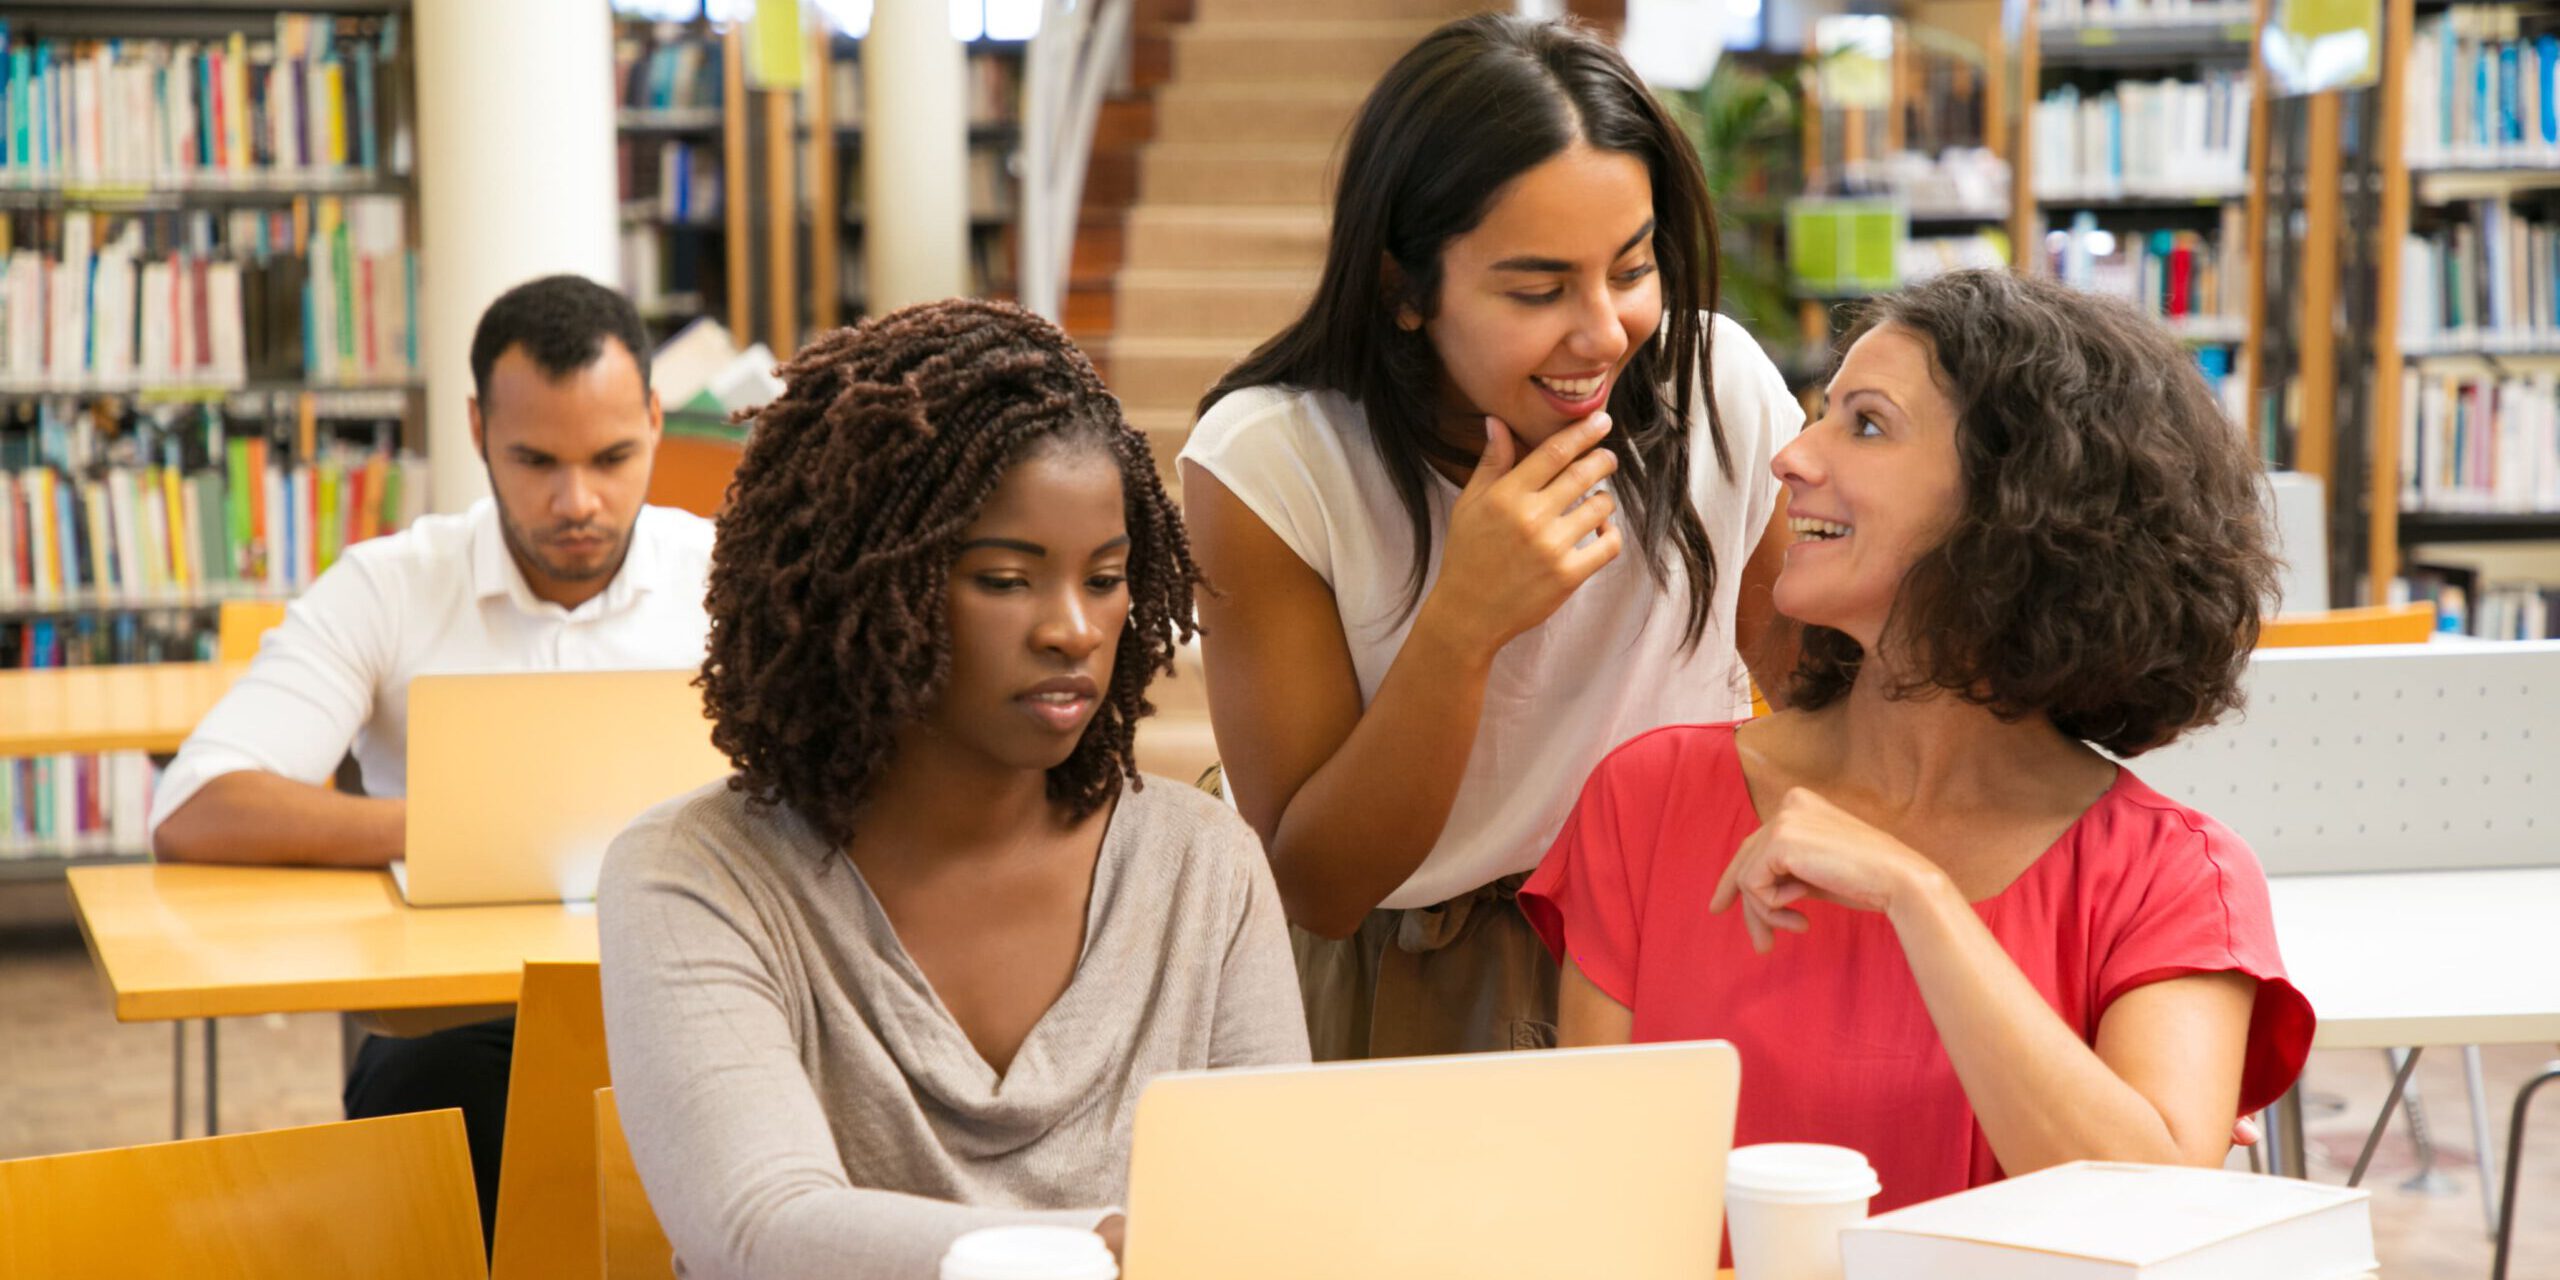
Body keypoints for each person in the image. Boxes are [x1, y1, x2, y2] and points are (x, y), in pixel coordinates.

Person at [1523, 269, 2317, 1213]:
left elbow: (2149, 1209)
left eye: (1864, 424)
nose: (1790, 458)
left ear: (2017, 502)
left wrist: (1918, 898)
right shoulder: (1650, 801)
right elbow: (1600, 1204)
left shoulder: (2175, 879)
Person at [597, 300, 1310, 1280]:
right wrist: (1115, 1250)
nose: (1072, 628)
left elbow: (1274, 1208)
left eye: (1104, 578)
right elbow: (759, 1225)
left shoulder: (1204, 864)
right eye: (1007, 578)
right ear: (860, 581)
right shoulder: (695, 873)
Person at [1179, 13, 1803, 1059]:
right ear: (1403, 289)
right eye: (1537, 287)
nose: (1603, 330)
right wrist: (1465, 619)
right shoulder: (1272, 463)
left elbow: (1822, 703)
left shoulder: (1715, 386)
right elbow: (1322, 885)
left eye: (1633, 267)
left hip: (1680, 948)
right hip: (1405, 973)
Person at [148, 273, 712, 1245]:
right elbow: (196, 805)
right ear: (477, 429)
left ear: (658, 421)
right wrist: (466, 829)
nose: (576, 499)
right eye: (534, 458)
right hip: (462, 1024)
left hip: (702, 1004)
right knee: (434, 1114)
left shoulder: (727, 582)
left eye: (612, 456)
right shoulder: (390, 585)